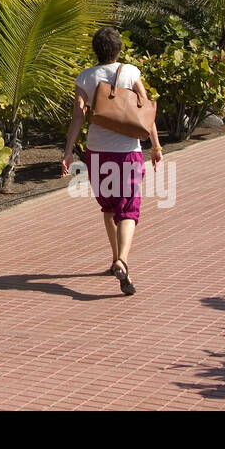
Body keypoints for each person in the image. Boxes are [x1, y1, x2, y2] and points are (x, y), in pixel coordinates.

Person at [62, 26, 162, 295]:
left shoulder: (85, 77)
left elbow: (78, 117)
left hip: (97, 151)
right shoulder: (130, 71)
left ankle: (114, 258)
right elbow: (145, 108)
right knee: (128, 207)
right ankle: (122, 260)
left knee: (108, 206)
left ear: (96, 51)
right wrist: (155, 144)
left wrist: (69, 151)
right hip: (128, 149)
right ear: (118, 49)